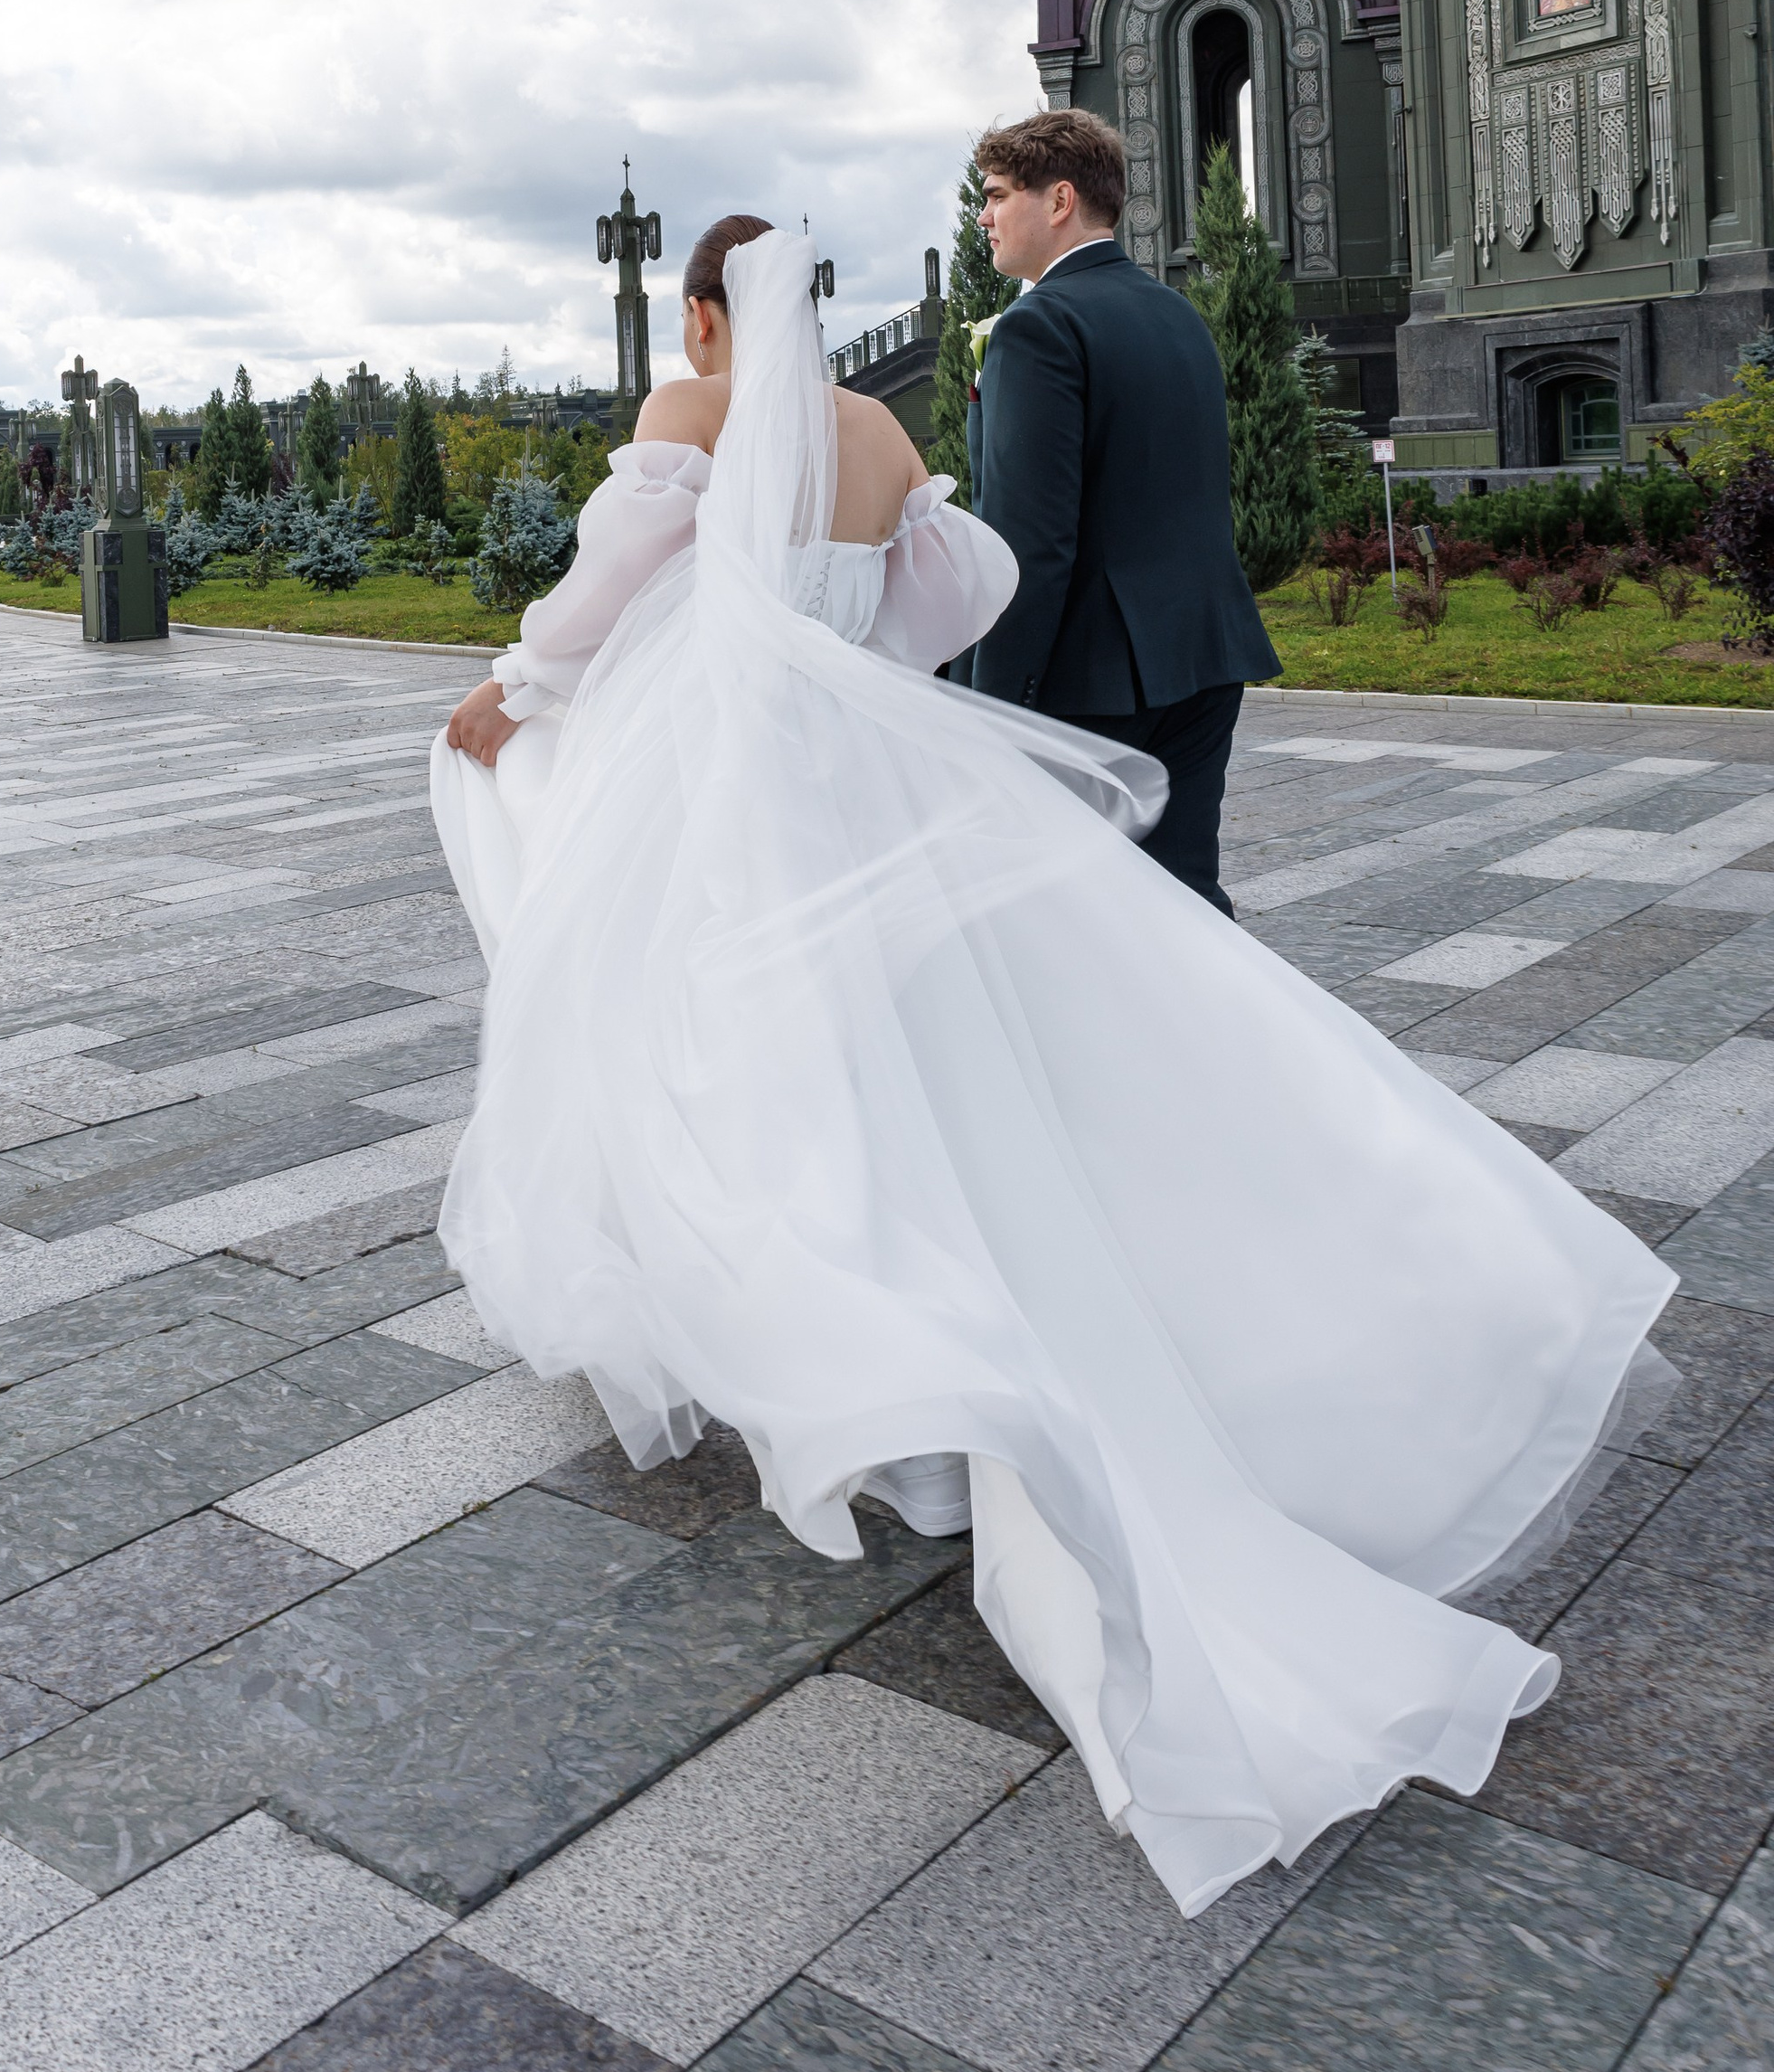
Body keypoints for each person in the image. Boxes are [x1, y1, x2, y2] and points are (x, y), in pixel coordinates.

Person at [432, 214, 1671, 1918]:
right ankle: (938, 1349)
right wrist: (848, 649)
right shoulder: (876, 433)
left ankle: (859, 1350)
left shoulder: (681, 412)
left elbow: (598, 592)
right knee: (915, 1056)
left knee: (718, 1047)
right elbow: (968, 585)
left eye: (704, 316)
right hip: (852, 773)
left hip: (717, 781)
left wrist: (520, 681)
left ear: (710, 310)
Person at [965, 109, 1276, 915]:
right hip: (1204, 656)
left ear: (1059, 199)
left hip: (1092, 678)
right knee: (1184, 901)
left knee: (1073, 920)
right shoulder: (1178, 316)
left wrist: (992, 705)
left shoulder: (1040, 326)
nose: (984, 216)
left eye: (998, 196)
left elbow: (1030, 541)